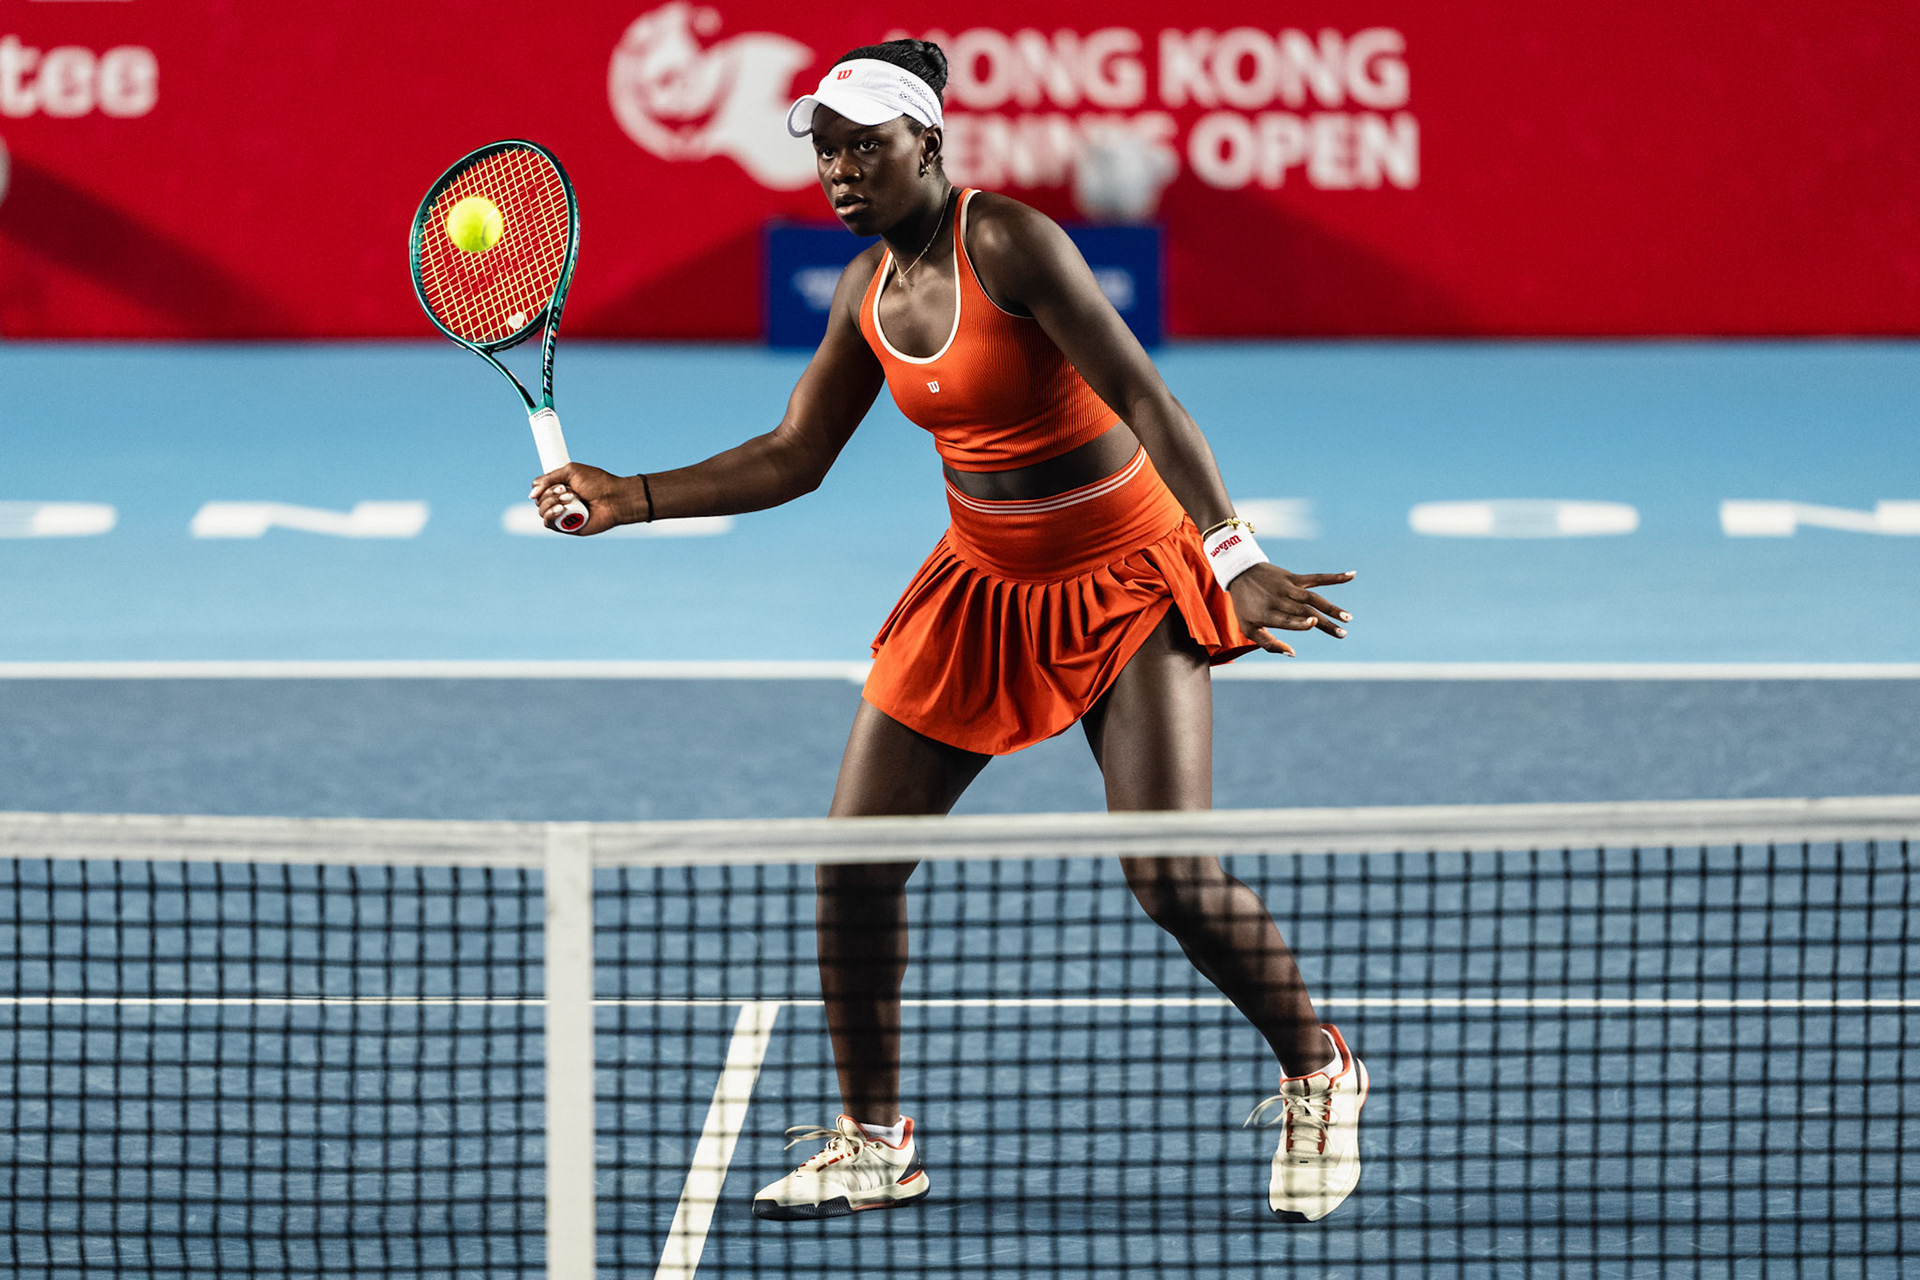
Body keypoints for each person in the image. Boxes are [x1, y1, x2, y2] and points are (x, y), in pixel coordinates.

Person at [530, 39, 1367, 1224]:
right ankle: (876, 1139)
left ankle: (1319, 1067)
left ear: (928, 139)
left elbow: (1144, 396)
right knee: (853, 866)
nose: (839, 166)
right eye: (823, 146)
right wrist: (634, 496)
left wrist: (1233, 552)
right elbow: (795, 455)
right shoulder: (865, 291)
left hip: (1124, 573)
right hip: (982, 584)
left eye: (864, 141)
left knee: (1171, 874)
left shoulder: (1010, 241)